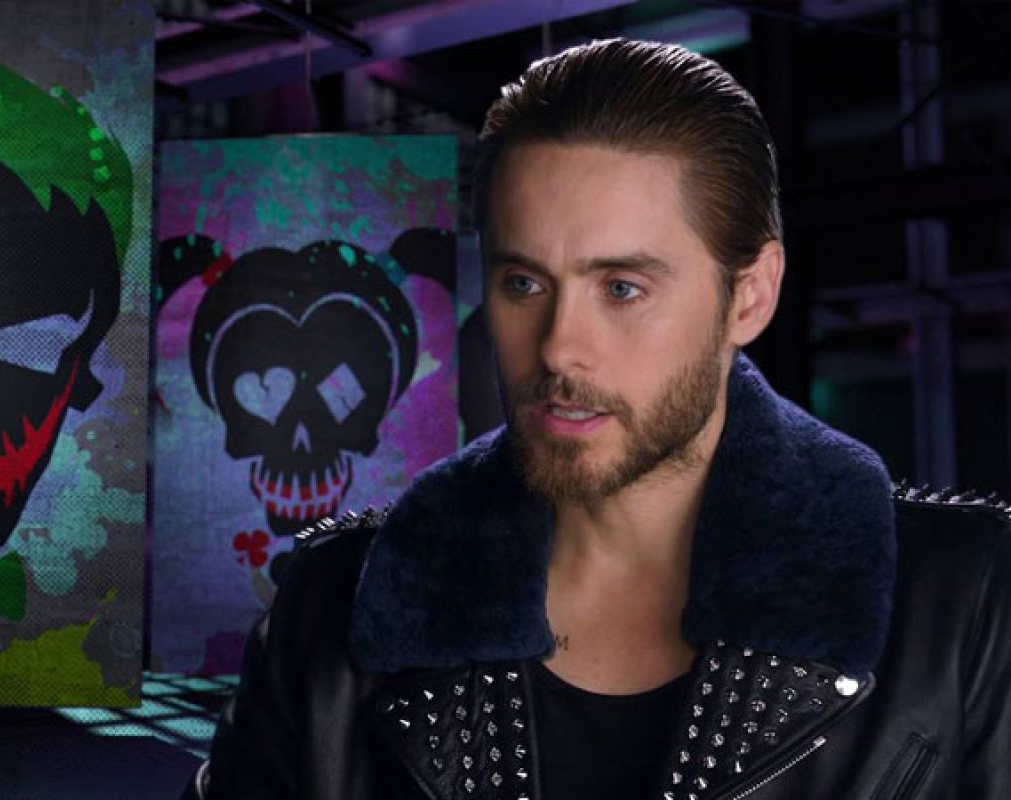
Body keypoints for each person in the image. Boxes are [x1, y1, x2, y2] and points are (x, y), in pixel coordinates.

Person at [184, 38, 1011, 799]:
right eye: (524, 283)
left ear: (750, 297)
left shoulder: (964, 606)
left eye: (621, 288)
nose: (558, 348)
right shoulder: (329, 607)